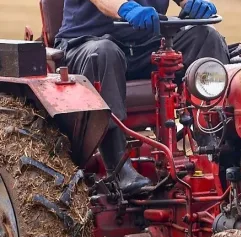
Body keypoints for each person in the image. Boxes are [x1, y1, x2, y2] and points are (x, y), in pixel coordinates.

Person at [54, 0, 230, 193]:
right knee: (105, 52)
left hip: (146, 44)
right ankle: (119, 169)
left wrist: (192, 3)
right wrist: (127, 9)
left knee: (207, 37)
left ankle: (214, 148)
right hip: (87, 42)